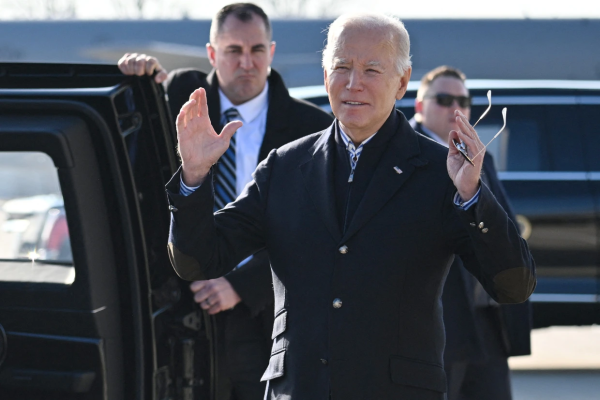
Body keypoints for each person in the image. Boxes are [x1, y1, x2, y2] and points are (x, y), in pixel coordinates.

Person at [166, 12, 536, 400]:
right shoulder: (285, 167)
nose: (353, 83)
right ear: (326, 76)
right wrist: (194, 175)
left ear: (402, 82)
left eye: (371, 70)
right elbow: (198, 261)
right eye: (341, 67)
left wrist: (473, 196)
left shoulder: (440, 172)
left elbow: (514, 285)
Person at [118, 4, 333, 400]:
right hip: (178, 315)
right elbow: (136, 168)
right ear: (212, 54)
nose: (246, 63)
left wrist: (240, 284)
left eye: (257, 50)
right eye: (234, 50)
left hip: (269, 318)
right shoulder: (178, 104)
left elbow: (318, 230)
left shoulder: (313, 129)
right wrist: (141, 75)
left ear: (271, 51)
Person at [410, 66, 532, 400]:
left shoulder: (480, 155)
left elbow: (503, 224)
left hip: (486, 316)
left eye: (463, 101)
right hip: (437, 318)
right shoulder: (405, 155)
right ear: (419, 106)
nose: (455, 108)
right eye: (443, 99)